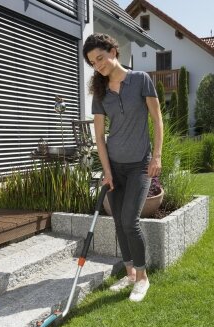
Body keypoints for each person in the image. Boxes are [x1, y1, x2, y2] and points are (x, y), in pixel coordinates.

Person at [83, 33, 163, 302]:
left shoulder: (140, 80)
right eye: (92, 62)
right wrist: (106, 170)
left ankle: (143, 278)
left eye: (100, 58)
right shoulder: (101, 92)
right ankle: (129, 274)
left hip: (140, 163)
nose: (98, 65)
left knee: (131, 220)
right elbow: (99, 136)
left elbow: (157, 119)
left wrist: (157, 156)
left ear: (113, 51)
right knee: (119, 221)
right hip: (114, 166)